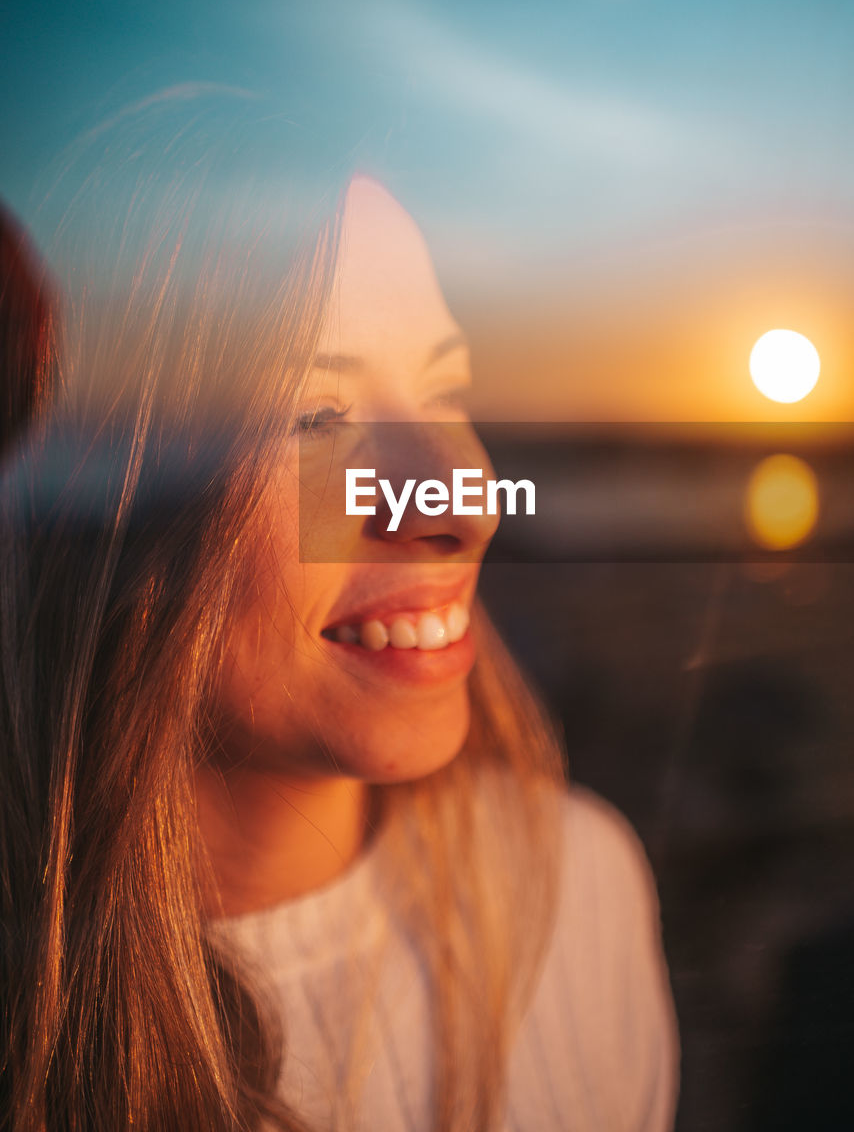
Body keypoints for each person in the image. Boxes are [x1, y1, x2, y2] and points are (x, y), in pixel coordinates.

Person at [0, 164, 678, 1130]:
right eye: (317, 417)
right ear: (104, 507)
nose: (464, 497)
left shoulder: (576, 891)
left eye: (447, 388)